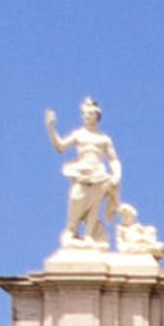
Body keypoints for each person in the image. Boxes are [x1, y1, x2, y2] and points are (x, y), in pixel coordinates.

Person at [45, 99, 120, 250]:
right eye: (85, 113)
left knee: (94, 207)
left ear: (97, 116)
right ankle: (71, 231)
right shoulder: (78, 134)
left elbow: (113, 159)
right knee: (76, 198)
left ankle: (88, 236)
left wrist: (117, 175)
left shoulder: (104, 139)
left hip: (98, 174)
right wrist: (51, 129)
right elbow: (60, 147)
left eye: (90, 113)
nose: (87, 116)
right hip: (81, 172)